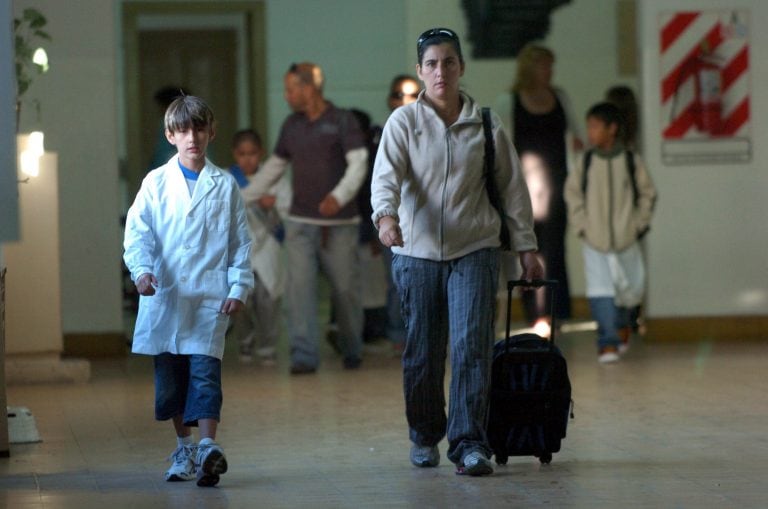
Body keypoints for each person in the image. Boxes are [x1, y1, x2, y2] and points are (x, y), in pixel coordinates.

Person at [371, 28, 543, 476]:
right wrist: (386, 217)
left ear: (461, 67)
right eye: (431, 64)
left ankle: (469, 443)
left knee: (471, 346)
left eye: (448, 62)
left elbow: (512, 187)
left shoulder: (486, 123)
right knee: (424, 352)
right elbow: (385, 178)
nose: (440, 71)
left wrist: (526, 245)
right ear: (420, 72)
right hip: (416, 252)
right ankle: (426, 434)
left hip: (476, 248)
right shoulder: (403, 123)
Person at [123, 95, 254, 487]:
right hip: (166, 297)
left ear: (211, 132)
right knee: (172, 381)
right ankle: (185, 447)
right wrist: (142, 272)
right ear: (171, 135)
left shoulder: (225, 185)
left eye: (199, 128)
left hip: (209, 298)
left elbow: (240, 242)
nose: (192, 137)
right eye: (183, 130)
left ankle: (209, 446)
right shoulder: (156, 184)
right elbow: (137, 233)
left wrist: (239, 285)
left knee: (205, 375)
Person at [241, 62, 368, 374]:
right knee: (299, 290)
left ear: (309, 88)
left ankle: (352, 348)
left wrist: (338, 197)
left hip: (340, 225)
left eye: (290, 89)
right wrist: (241, 196)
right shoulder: (291, 126)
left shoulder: (343, 120)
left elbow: (359, 163)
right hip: (300, 222)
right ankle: (304, 355)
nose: (286, 96)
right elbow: (274, 167)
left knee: (344, 290)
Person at [493, 43, 583, 334]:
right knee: (528, 250)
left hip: (558, 188)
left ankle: (555, 313)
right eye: (545, 65)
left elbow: (578, 137)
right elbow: (500, 148)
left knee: (554, 251)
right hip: (524, 189)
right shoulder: (510, 101)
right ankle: (535, 314)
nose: (549, 72)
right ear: (530, 68)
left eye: (551, 66)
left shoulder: (561, 98)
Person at [564, 102, 656, 364]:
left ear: (612, 128)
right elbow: (573, 195)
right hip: (595, 240)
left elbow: (647, 193)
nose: (590, 132)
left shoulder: (629, 160)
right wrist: (582, 225)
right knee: (600, 290)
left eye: (595, 126)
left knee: (629, 290)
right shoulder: (586, 162)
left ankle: (624, 326)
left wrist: (639, 223)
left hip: (626, 239)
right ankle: (607, 342)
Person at [228, 129, 290, 365]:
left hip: (268, 248)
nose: (247, 159)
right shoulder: (227, 179)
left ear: (261, 153)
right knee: (241, 300)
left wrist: (270, 209)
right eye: (242, 154)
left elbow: (287, 213)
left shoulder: (275, 180)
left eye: (252, 154)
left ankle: (267, 346)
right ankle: (245, 341)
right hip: (239, 251)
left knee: (268, 300)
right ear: (235, 154)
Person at [605, 85, 645, 334]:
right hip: (633, 208)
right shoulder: (640, 139)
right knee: (633, 265)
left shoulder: (607, 142)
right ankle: (633, 315)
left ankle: (619, 317)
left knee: (614, 267)